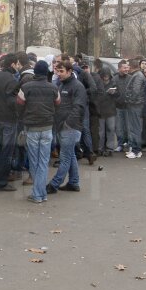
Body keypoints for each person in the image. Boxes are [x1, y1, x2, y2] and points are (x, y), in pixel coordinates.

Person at [16, 60, 59, 203]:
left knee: (34, 162)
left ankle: (37, 194)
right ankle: (41, 194)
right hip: (47, 128)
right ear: (46, 72)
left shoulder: (26, 87)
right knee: (44, 162)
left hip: (32, 128)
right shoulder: (53, 88)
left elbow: (19, 105)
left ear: (35, 72)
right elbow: (58, 103)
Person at [48, 60, 87, 194]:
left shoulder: (77, 86)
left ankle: (54, 184)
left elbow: (79, 107)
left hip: (70, 127)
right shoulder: (62, 84)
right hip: (62, 126)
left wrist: (67, 123)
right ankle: (73, 182)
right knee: (70, 156)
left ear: (70, 71)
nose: (59, 74)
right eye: (57, 71)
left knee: (64, 158)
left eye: (62, 71)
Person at [0, 54, 21, 192]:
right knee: (7, 151)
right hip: (9, 119)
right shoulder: (11, 80)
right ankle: (2, 182)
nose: (18, 66)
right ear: (12, 64)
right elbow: (12, 101)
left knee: (1, 149)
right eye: (17, 64)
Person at [112, 59, 145, 158]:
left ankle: (136, 150)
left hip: (135, 105)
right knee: (134, 127)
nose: (127, 68)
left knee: (135, 128)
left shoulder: (138, 76)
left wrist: (128, 99)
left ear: (132, 66)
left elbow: (135, 91)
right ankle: (136, 150)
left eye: (128, 66)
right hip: (134, 104)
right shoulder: (137, 75)